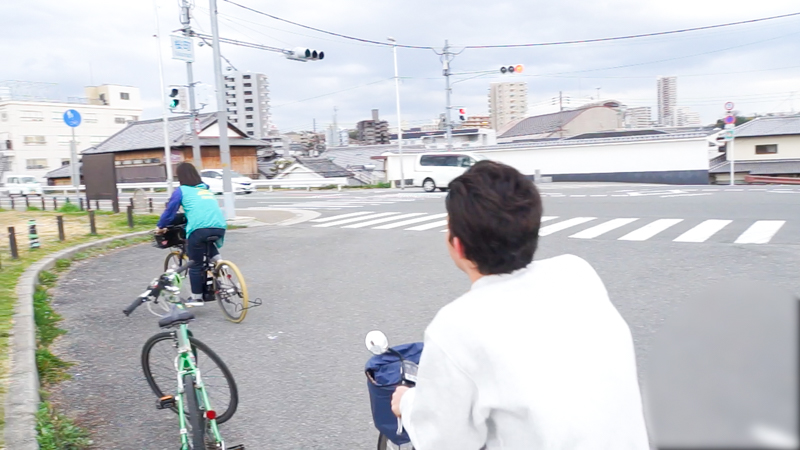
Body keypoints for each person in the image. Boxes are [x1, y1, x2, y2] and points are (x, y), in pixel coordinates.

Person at [390, 161, 650, 449]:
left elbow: (442, 440)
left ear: (458, 245)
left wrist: (407, 403)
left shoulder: (456, 326)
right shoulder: (577, 273)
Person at [156, 163, 227, 307]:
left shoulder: (182, 190)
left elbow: (170, 211)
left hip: (199, 229)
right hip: (219, 226)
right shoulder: (205, 189)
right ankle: (220, 263)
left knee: (195, 264)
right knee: (206, 240)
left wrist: (160, 227)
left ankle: (196, 298)